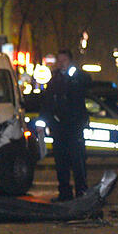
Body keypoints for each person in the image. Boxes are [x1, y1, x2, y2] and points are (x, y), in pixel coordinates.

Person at [42, 48, 91, 201]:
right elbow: (47, 101)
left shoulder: (77, 77)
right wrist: (46, 120)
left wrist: (73, 75)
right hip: (59, 127)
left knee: (77, 160)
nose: (61, 64)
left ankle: (81, 191)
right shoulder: (55, 79)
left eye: (64, 61)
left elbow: (85, 84)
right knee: (61, 162)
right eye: (59, 61)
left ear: (70, 61)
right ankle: (65, 192)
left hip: (74, 127)